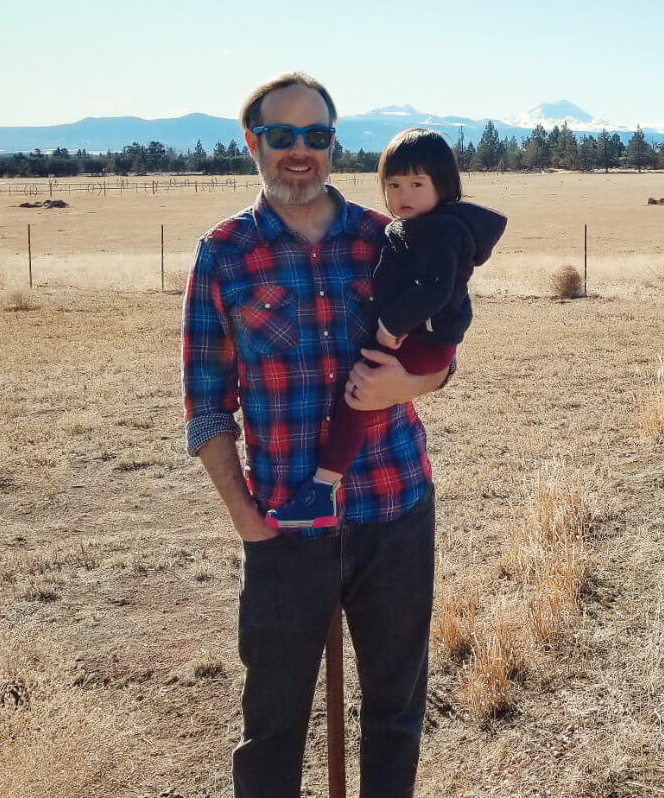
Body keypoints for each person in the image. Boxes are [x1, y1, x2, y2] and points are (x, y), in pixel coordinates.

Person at [182, 71, 450, 798]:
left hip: (394, 507)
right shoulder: (223, 254)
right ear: (253, 143)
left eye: (316, 134)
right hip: (285, 524)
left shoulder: (386, 238)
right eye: (282, 135)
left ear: (333, 143)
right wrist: (245, 517)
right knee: (272, 722)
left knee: (395, 708)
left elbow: (440, 355)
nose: (299, 150)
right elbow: (206, 404)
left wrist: (410, 385)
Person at [266, 127, 505, 530]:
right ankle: (324, 488)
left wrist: (389, 327)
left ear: (443, 187)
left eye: (416, 184)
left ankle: (323, 489)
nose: (403, 195)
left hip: (421, 338)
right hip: (423, 335)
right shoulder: (415, 227)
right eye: (393, 185)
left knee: (358, 396)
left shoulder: (440, 230)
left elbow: (434, 287)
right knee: (360, 396)